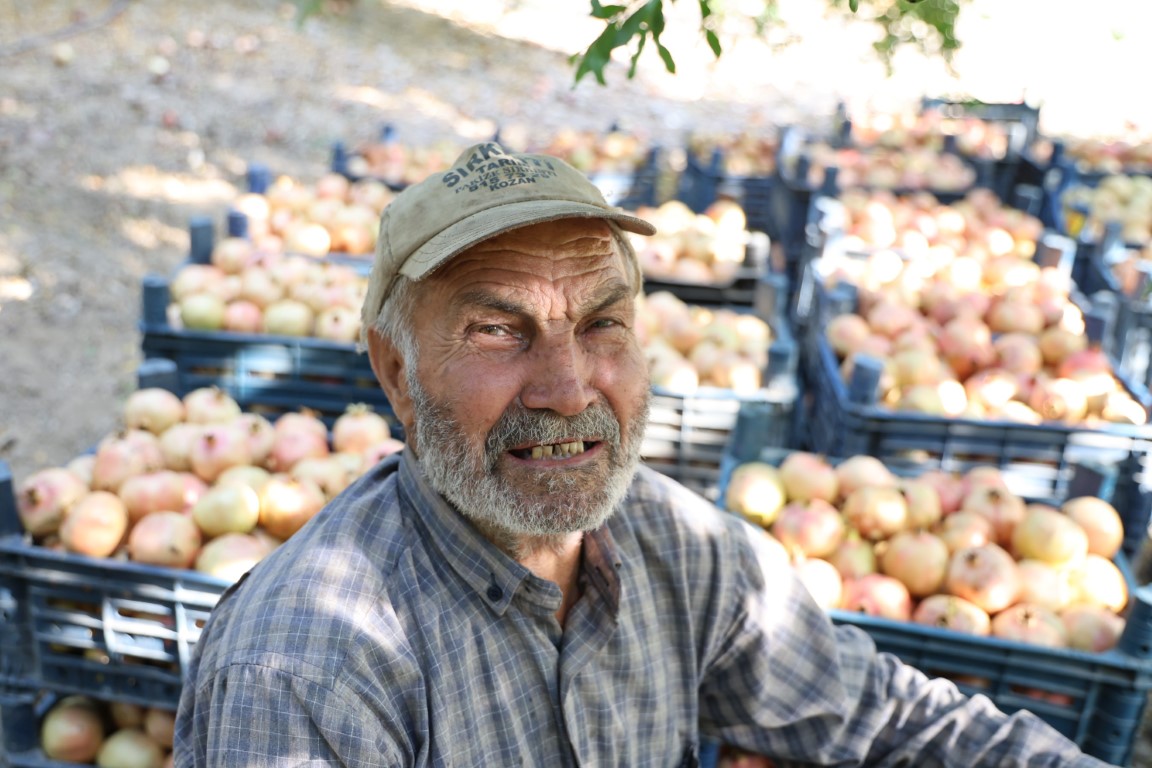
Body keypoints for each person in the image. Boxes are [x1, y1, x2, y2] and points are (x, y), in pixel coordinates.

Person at [174, 141, 1116, 767]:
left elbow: (896, 724)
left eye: (602, 324)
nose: (569, 387)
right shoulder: (306, 672)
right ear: (394, 371)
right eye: (499, 331)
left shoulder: (673, 546)